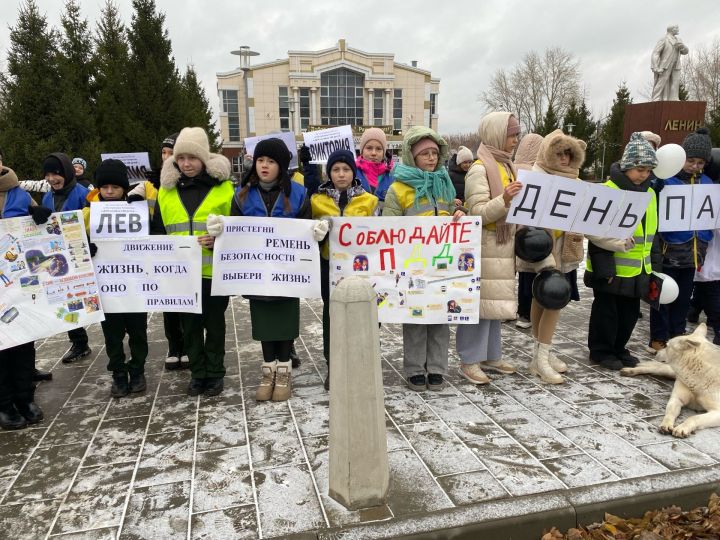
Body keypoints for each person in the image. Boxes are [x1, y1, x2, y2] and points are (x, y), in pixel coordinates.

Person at [209, 138, 312, 402]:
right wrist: (220, 234)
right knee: (265, 325)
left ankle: (284, 372)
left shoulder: (298, 194)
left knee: (286, 325)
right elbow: (234, 235)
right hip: (258, 276)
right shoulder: (242, 194)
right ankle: (268, 372)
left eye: (271, 161)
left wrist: (317, 234)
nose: (265, 166)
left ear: (282, 166)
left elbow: (306, 234)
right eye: (261, 160)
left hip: (288, 275)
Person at [151, 127, 234, 397]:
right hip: (182, 275)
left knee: (215, 325)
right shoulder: (166, 192)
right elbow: (158, 232)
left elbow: (237, 230)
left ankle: (215, 372)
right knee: (190, 328)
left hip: (214, 273)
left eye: (192, 158)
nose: (186, 164)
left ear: (204, 158)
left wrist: (219, 240)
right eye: (181, 158)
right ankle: (198, 373)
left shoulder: (224, 189)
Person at [382, 126, 465, 391]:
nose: (431, 158)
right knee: (416, 318)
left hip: (443, 264)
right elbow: (390, 226)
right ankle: (415, 368)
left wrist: (459, 215)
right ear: (411, 156)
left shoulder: (444, 184)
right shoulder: (398, 189)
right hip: (413, 266)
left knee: (441, 316)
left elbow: (453, 211)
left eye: (434, 153)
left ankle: (438, 368)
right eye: (424, 154)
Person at [455, 112, 523, 384]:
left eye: (517, 134)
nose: (515, 140)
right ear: (496, 134)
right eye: (511, 134)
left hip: (503, 245)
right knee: (478, 305)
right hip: (484, 245)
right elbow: (478, 212)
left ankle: (491, 355)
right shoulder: (480, 168)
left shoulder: (507, 165)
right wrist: (505, 200)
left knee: (496, 304)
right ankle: (469, 360)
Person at [585, 133, 661, 370]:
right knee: (606, 313)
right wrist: (604, 268)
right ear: (627, 165)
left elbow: (652, 232)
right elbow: (596, 235)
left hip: (639, 267)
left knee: (629, 314)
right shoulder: (608, 190)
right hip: (612, 267)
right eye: (639, 169)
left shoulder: (649, 194)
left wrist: (654, 267)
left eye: (648, 170)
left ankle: (619, 347)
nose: (644, 175)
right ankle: (601, 350)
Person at [518, 130, 587, 383]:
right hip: (540, 249)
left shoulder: (576, 183)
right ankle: (542, 358)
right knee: (551, 298)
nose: (564, 158)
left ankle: (540, 354)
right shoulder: (535, 178)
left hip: (564, 249)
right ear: (548, 152)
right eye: (559, 152)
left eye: (569, 154)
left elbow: (590, 219)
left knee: (544, 299)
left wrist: (616, 239)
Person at [311, 149, 379, 390]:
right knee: (333, 317)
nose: (341, 174)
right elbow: (308, 237)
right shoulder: (317, 200)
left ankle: (361, 364)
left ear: (354, 171)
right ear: (329, 172)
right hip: (329, 268)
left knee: (362, 316)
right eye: (336, 169)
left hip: (361, 269)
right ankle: (335, 366)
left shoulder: (369, 200)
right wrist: (317, 235)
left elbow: (380, 235)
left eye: (346, 169)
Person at [83, 160, 148, 397]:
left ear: (124, 187)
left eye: (115, 187)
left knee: (138, 332)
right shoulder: (89, 213)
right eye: (105, 187)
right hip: (106, 287)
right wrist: (85, 248)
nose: (109, 192)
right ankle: (118, 373)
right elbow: (71, 239)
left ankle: (138, 370)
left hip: (135, 286)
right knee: (112, 335)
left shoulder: (137, 210)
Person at [648, 128, 714, 353]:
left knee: (683, 298)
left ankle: (676, 334)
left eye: (700, 162)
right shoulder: (666, 181)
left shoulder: (708, 183)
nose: (695, 166)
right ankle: (658, 336)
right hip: (669, 250)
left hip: (694, 253)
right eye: (691, 161)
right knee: (662, 295)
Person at [129, 132, 189, 371]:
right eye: (163, 152)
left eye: (170, 153)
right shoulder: (148, 184)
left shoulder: (185, 183)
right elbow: (130, 195)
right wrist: (131, 199)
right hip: (158, 252)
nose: (165, 157)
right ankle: (174, 346)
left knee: (186, 301)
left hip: (182, 252)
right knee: (169, 302)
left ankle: (189, 346)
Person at [0, 163, 50, 429]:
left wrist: (40, 216)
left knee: (22, 343)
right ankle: (4, 404)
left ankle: (25, 398)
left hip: (19, 282)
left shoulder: (18, 193)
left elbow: (40, 231)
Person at [41, 152, 91, 364]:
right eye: (48, 174)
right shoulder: (47, 196)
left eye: (57, 174)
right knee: (68, 298)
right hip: (59, 257)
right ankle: (79, 342)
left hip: (84, 254)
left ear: (67, 173)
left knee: (94, 298)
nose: (52, 179)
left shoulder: (83, 194)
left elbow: (93, 222)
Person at [513, 133, 544, 329]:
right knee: (531, 274)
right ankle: (527, 312)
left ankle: (521, 311)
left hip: (519, 229)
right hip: (534, 230)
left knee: (522, 274)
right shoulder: (538, 173)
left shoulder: (512, 168)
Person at [356, 127, 394, 208]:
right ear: (362, 151)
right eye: (369, 148)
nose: (373, 153)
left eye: (379, 149)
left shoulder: (393, 176)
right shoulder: (352, 173)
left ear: (384, 152)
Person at [651, 25, 689, 102]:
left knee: (676, 81)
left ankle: (674, 98)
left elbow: (685, 52)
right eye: (676, 28)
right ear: (671, 30)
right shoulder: (664, 39)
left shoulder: (679, 40)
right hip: (665, 65)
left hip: (676, 64)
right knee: (662, 81)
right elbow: (655, 53)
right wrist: (655, 67)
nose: (678, 29)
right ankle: (655, 98)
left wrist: (683, 46)